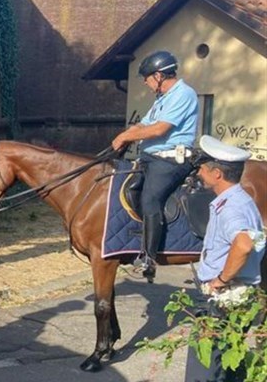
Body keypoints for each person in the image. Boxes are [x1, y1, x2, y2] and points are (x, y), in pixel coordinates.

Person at [111, 50, 199, 280]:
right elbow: (143, 124)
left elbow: (160, 129)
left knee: (151, 198)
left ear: (159, 75)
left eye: (147, 76)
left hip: (171, 160)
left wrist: (126, 137)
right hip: (150, 158)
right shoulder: (162, 98)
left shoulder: (183, 94)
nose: (145, 81)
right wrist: (126, 134)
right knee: (127, 189)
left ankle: (149, 258)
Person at [185, 135, 265, 381]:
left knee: (205, 367)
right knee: (230, 364)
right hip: (238, 293)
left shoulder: (231, 206)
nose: (199, 172)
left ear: (216, 173)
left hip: (223, 295)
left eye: (203, 168)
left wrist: (220, 280)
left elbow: (243, 245)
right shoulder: (240, 199)